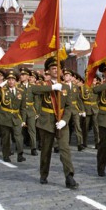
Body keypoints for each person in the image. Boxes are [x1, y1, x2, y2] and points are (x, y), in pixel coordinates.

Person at [32, 57, 78, 188]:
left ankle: (69, 177)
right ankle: (43, 174)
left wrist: (64, 120)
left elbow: (69, 106)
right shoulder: (44, 85)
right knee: (46, 151)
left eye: (58, 68)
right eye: (52, 68)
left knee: (65, 150)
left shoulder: (65, 87)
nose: (55, 70)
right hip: (46, 122)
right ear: (48, 71)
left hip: (61, 122)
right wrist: (52, 87)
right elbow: (32, 90)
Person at [0, 70, 26, 163]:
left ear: (16, 81)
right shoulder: (3, 90)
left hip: (16, 117)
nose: (11, 81)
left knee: (19, 137)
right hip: (5, 117)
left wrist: (23, 119)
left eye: (13, 80)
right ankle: (6, 155)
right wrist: (0, 86)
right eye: (9, 80)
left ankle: (20, 154)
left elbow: (23, 107)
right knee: (6, 138)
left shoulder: (20, 91)